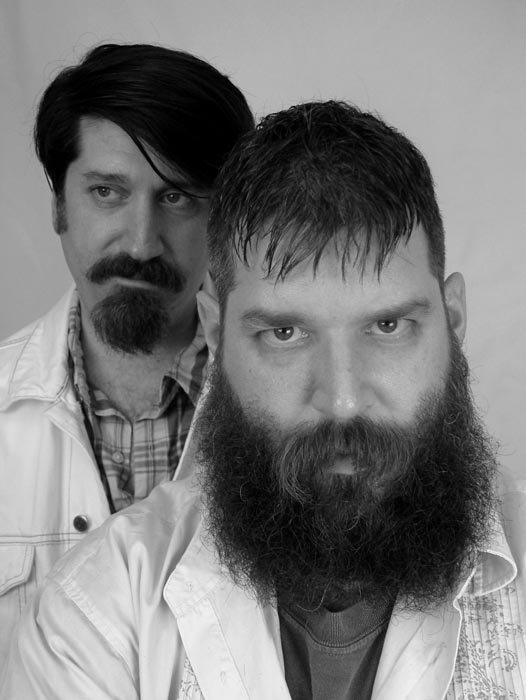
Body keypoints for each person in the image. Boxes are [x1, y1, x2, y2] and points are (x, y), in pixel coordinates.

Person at [2, 101, 525, 699]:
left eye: (387, 327)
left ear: (452, 321)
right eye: (284, 333)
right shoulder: (94, 614)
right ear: (216, 332)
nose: (342, 400)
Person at [0, 42, 254, 666]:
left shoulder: (291, 410)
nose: (141, 244)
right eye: (107, 191)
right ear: (59, 205)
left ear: (224, 220)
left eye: (178, 197)